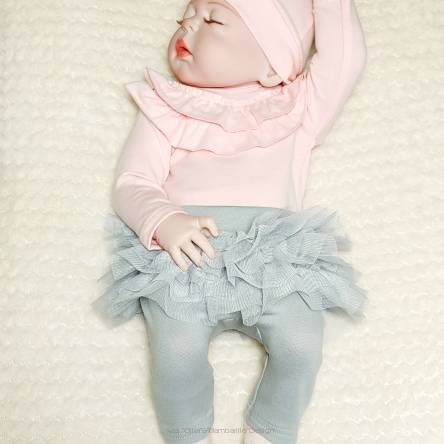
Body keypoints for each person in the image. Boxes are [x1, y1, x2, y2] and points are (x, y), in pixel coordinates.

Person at [92, 1, 369, 443]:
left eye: (213, 19)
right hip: (186, 253)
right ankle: (188, 434)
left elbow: (345, 55)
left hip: (274, 255)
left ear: (273, 67)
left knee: (300, 345)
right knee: (176, 354)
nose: (188, 24)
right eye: (186, 15)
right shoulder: (167, 108)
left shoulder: (300, 107)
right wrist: (162, 218)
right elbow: (132, 181)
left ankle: (271, 427)